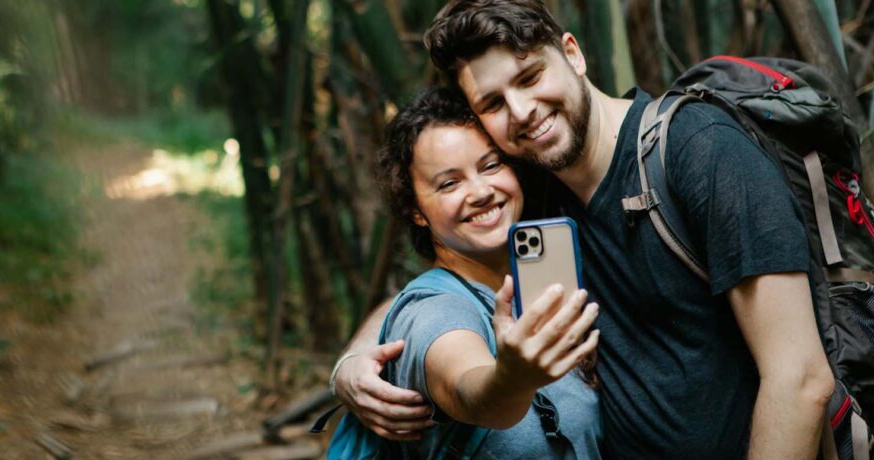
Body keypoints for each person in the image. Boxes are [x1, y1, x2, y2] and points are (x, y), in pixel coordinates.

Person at [332, 1, 835, 458]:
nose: (522, 112)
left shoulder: (698, 152)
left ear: (572, 54)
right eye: (493, 104)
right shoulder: (538, 191)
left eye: (529, 77)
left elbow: (801, 378)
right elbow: (443, 290)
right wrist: (353, 361)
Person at [340, 85, 602, 458]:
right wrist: (509, 379)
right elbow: (471, 391)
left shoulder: (542, 281)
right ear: (416, 210)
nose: (480, 191)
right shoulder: (433, 311)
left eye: (491, 165)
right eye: (449, 183)